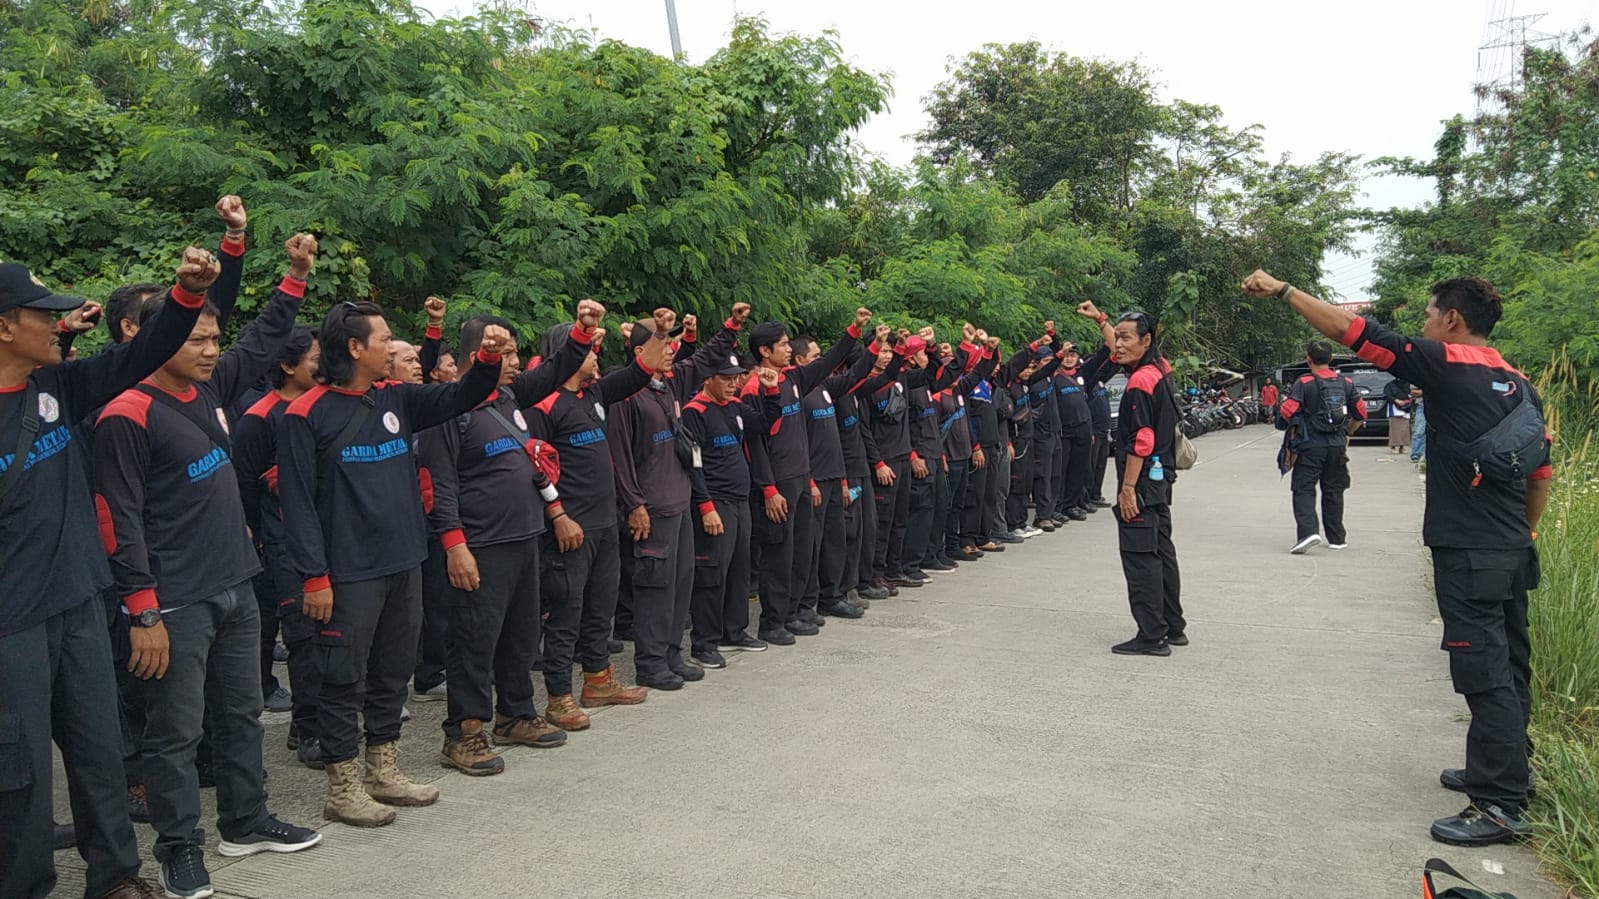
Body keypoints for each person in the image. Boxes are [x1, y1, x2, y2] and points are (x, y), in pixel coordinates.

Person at [1243, 270, 1552, 847]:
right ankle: (1506, 769)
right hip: (1510, 549)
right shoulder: (1519, 381)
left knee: (1482, 674)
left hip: (1468, 551)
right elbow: (1541, 476)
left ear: (1452, 320)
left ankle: (1502, 805)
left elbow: (1353, 329)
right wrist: (1523, 536)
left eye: (1431, 316)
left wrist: (1284, 290)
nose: (1426, 326)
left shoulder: (1446, 363)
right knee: (1510, 664)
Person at [93, 235, 322, 897]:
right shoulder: (125, 412)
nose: (211, 348)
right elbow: (122, 520)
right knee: (175, 731)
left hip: (236, 583)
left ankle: (245, 819)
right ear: (159, 337)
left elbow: (264, 336)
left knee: (242, 712)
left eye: (214, 337)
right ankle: (177, 848)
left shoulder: (211, 386)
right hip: (176, 600)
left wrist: (295, 275)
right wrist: (143, 609)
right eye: (196, 337)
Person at [1, 247, 216, 899]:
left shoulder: (55, 387)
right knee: (23, 770)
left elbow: (139, 354)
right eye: (46, 315)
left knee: (100, 750)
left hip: (80, 600)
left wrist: (185, 293)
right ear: (6, 325)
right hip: (12, 621)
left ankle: (116, 875)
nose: (59, 324)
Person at [276, 301, 509, 827]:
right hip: (346, 572)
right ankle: (343, 784)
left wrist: (488, 361)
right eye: (383, 339)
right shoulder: (304, 414)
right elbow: (297, 505)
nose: (392, 346)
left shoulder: (396, 398)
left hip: (403, 560)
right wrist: (314, 576)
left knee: (392, 672)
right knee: (343, 680)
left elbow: (461, 394)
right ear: (355, 348)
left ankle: (384, 768)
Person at [417, 303, 600, 775]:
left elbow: (557, 369)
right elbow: (442, 485)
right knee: (475, 641)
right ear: (482, 353)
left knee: (520, 636)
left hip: (524, 537)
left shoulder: (506, 399)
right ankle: (465, 732)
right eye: (509, 353)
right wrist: (455, 545)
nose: (518, 363)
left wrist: (583, 332)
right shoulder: (448, 410)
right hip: (481, 545)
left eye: (518, 353)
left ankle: (515, 713)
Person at [526, 312, 671, 728]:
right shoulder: (544, 405)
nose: (596, 358)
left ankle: (599, 681)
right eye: (590, 352)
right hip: (571, 526)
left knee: (600, 610)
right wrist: (558, 515)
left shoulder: (593, 396)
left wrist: (660, 333)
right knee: (566, 613)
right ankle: (558, 697)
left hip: (606, 522)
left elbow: (642, 369)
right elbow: (533, 467)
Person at [610, 309, 743, 690]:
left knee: (680, 583)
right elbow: (619, 456)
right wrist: (634, 504)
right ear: (639, 350)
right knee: (654, 587)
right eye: (662, 344)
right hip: (652, 507)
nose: (670, 351)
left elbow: (702, 359)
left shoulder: (667, 385)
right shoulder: (625, 394)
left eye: (670, 344)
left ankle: (671, 654)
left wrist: (730, 326)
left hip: (679, 500)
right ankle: (650, 663)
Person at [741, 308, 866, 644]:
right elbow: (755, 443)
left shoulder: (793, 379)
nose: (786, 349)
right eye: (781, 345)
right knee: (778, 555)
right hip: (777, 484)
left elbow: (826, 365)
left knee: (800, 551)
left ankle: (795, 611)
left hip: (799, 477)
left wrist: (853, 329)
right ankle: (772, 622)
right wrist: (768, 489)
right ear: (765, 351)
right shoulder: (754, 388)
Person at [235, 326, 325, 769]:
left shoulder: (323, 407)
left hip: (327, 537)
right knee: (304, 637)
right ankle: (308, 728)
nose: (324, 366)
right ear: (288, 367)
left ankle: (319, 719)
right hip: (282, 544)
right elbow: (242, 488)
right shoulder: (258, 418)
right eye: (314, 359)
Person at [1079, 301, 1185, 656]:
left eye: (1126, 339)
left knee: (1141, 558)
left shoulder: (1139, 383)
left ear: (1146, 340)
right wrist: (1102, 321)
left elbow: (1142, 441)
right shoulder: (1159, 369)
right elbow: (1121, 344)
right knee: (1161, 551)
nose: (1118, 345)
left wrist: (1126, 489)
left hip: (1140, 480)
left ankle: (1152, 635)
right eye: (1117, 338)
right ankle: (1173, 625)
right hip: (1159, 478)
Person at [684, 358, 782, 667]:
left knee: (740, 570)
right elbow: (693, 463)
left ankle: (734, 631)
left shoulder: (734, 407)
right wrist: (705, 505)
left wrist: (771, 392)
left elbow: (765, 424)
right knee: (712, 573)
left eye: (736, 378)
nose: (732, 383)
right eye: (725, 378)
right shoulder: (695, 412)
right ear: (708, 378)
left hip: (740, 500)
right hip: (716, 502)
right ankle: (705, 641)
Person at [1275, 341, 1365, 554]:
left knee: (1303, 488)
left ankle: (1308, 533)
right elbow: (1361, 412)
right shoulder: (1346, 382)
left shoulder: (1304, 382)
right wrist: (1347, 433)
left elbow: (1287, 411)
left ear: (1308, 359)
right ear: (1331, 358)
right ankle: (1337, 538)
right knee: (1334, 490)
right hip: (1337, 445)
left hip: (1310, 445)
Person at [1385, 377, 1414, 454]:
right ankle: (1393, 446)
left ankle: (1402, 446)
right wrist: (1396, 401)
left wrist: (1408, 401)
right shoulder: (1390, 385)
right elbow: (1387, 395)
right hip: (1394, 409)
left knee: (1405, 429)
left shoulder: (1408, 384)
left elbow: (1411, 394)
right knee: (1394, 429)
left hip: (1406, 408)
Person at [1411, 386, 1427, 463]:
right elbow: (1412, 392)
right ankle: (1416, 454)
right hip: (1422, 406)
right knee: (1419, 431)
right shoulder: (1421, 376)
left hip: (1439, 407)